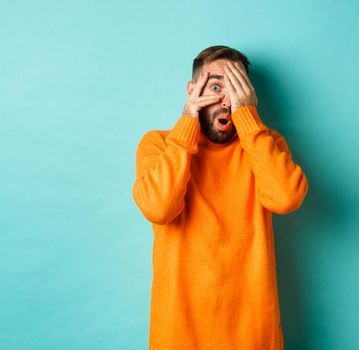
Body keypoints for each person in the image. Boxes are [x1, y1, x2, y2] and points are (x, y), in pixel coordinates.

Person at [132, 45, 309, 350]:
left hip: (254, 337)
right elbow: (158, 208)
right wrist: (187, 120)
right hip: (178, 336)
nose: (227, 101)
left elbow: (287, 199)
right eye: (215, 87)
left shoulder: (265, 145)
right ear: (192, 90)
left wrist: (249, 120)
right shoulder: (160, 144)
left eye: (237, 89)